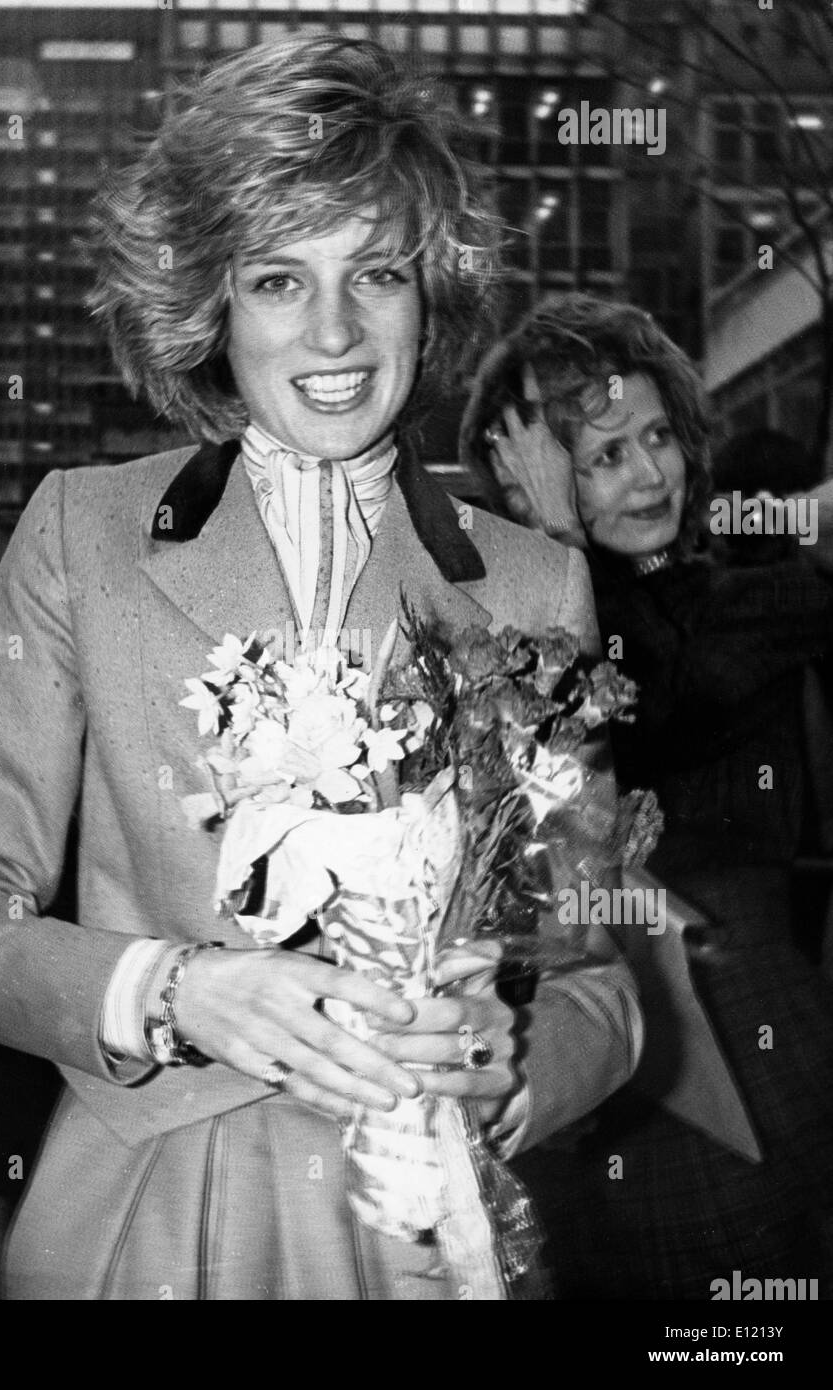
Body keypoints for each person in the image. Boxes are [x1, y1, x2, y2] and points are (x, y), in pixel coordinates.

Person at [0, 37, 642, 1301]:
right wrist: (173, 988)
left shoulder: (530, 584)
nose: (335, 329)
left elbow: (595, 970)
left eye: (377, 273)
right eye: (279, 279)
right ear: (210, 307)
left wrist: (518, 1058)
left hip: (415, 1218)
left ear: (427, 294)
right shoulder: (82, 534)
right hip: (150, 1205)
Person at [459, 291, 833, 1299]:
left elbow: (636, 705)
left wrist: (553, 539)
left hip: (731, 1032)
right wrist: (543, 553)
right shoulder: (506, 623)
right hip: (574, 1043)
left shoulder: (748, 596)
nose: (647, 474)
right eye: (601, 455)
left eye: (656, 436)